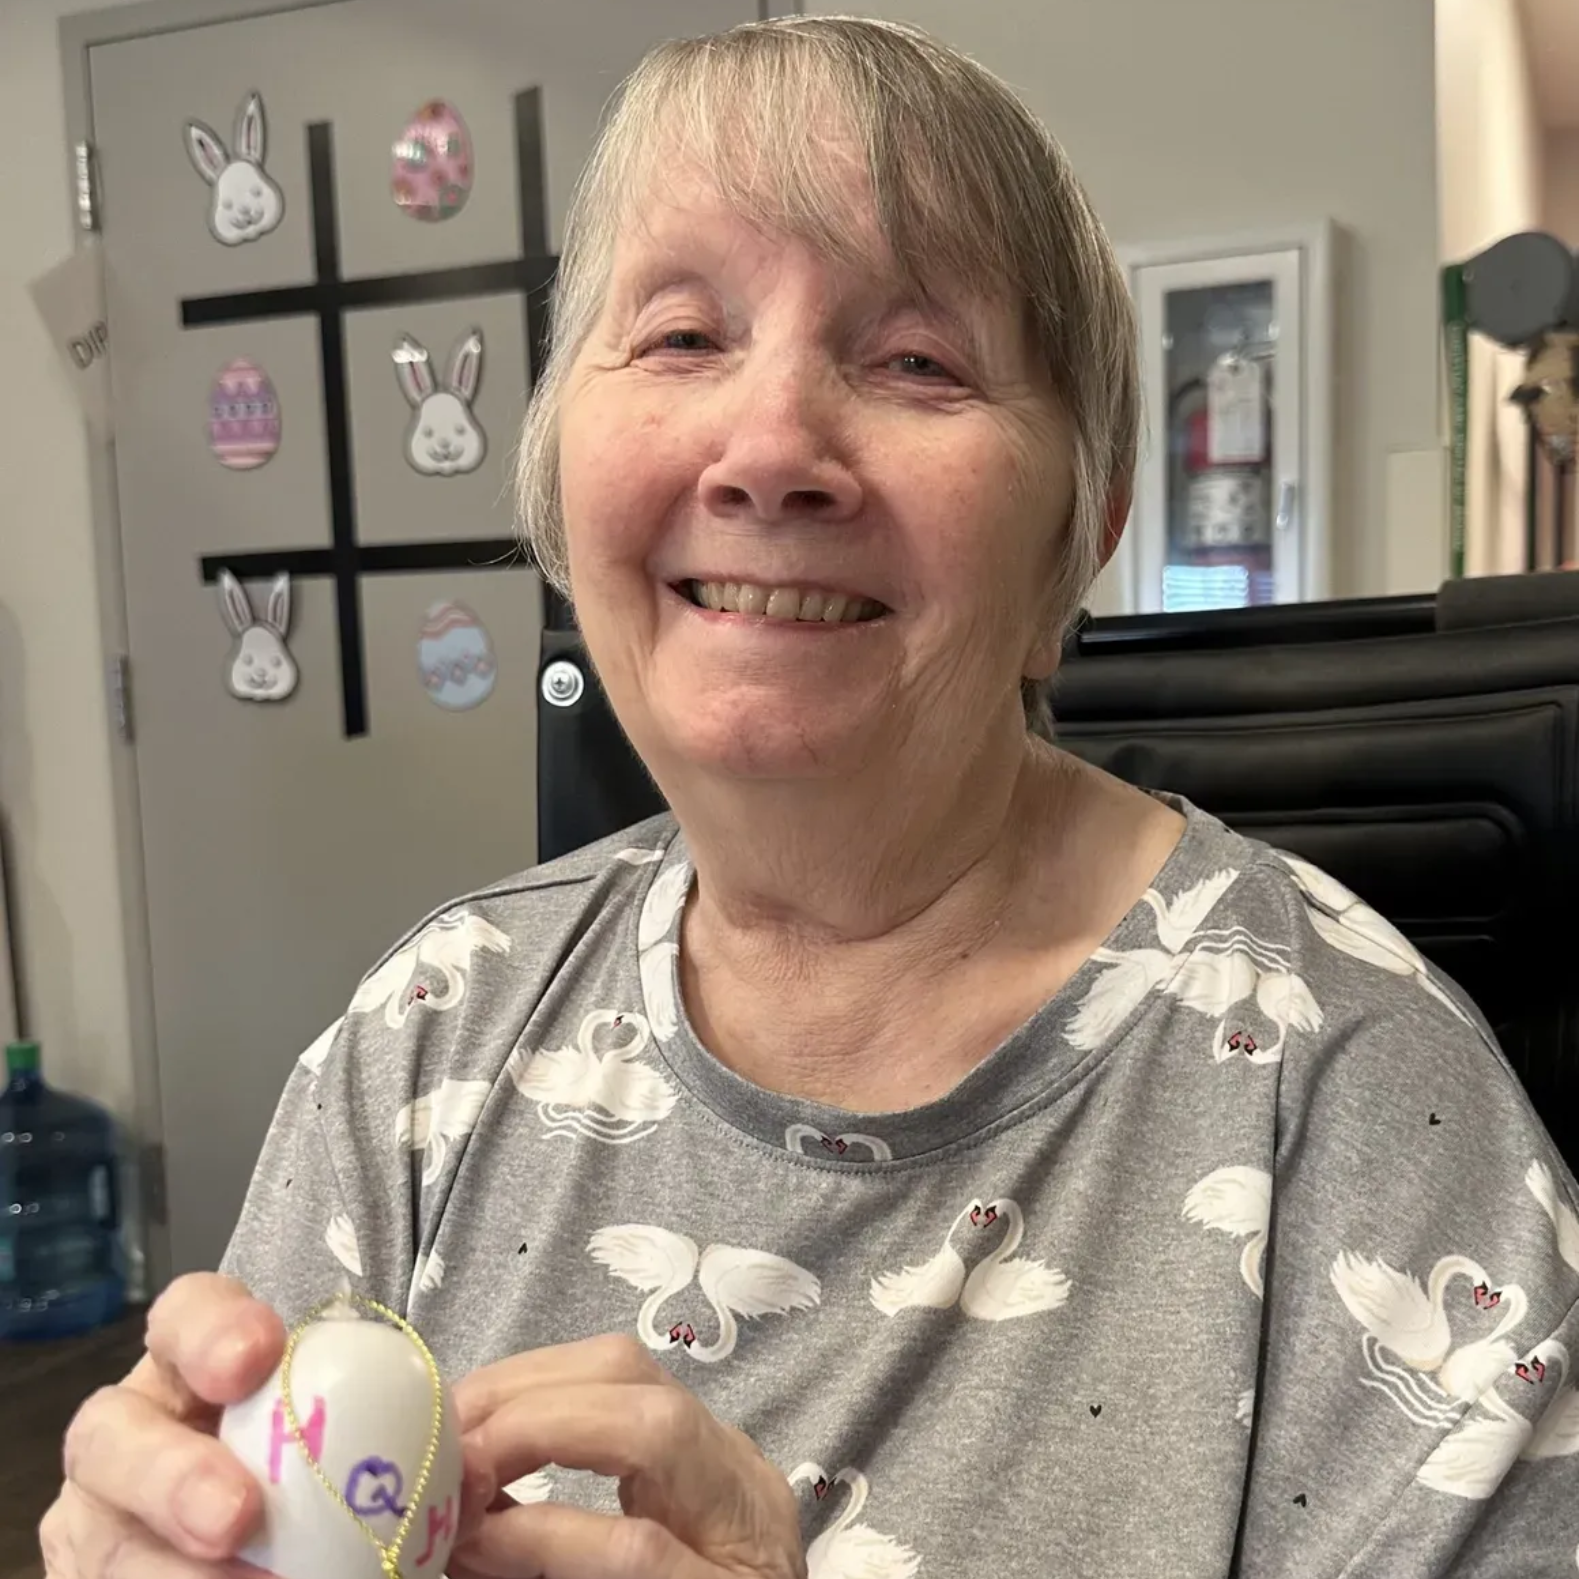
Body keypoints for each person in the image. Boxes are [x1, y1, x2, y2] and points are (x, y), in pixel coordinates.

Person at [42, 16, 1579, 1579]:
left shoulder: (1360, 1100)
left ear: (1074, 544)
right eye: (682, 336)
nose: (769, 451)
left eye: (917, 361)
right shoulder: (427, 1033)